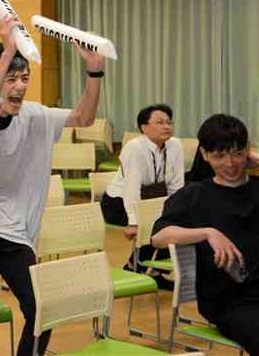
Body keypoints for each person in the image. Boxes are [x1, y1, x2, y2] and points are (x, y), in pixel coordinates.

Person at [0, 16, 105, 356]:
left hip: (10, 227)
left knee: (42, 309)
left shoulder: (33, 115)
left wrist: (95, 73)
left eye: (24, 78)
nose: (19, 86)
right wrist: (7, 52)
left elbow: (84, 119)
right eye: (11, 78)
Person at [152, 114, 259, 355]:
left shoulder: (256, 186)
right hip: (231, 300)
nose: (230, 164)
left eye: (238, 154)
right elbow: (158, 236)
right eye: (219, 156)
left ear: (248, 151)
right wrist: (207, 232)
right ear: (204, 155)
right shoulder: (195, 194)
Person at [100, 104, 183, 287]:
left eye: (169, 122)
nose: (166, 126)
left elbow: (177, 185)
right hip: (119, 202)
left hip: (151, 202)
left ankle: (154, 271)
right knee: (157, 225)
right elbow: (132, 188)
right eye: (159, 122)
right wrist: (134, 222)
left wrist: (179, 209)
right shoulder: (135, 147)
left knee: (178, 223)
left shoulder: (175, 145)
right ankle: (136, 266)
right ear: (144, 128)